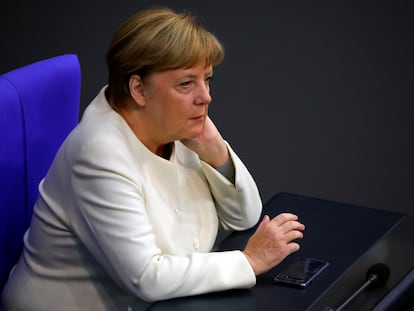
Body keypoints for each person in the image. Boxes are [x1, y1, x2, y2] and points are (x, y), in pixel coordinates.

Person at [1, 7, 305, 310]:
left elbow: (244, 216)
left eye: (207, 80)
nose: (205, 96)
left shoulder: (173, 124)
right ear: (138, 89)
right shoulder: (99, 153)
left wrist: (215, 152)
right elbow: (146, 276)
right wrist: (249, 262)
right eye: (186, 83)